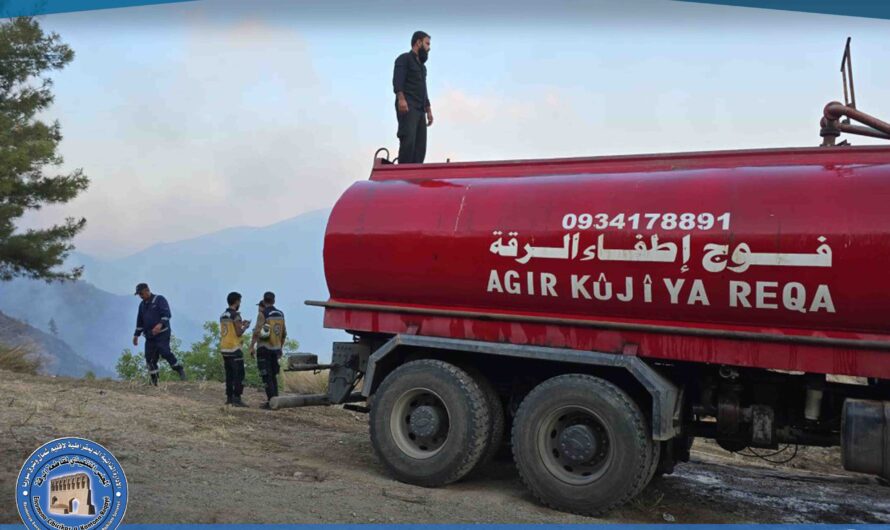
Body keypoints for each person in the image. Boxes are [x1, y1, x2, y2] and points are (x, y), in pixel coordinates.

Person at [392, 30, 433, 164]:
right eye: (427, 44)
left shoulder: (422, 68)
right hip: (408, 105)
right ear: (418, 42)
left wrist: (428, 109)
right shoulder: (404, 59)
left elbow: (424, 89)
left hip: (420, 109)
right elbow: (398, 81)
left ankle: (415, 177)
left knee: (420, 146)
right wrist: (401, 99)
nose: (429, 48)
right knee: (408, 140)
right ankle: (402, 174)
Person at [132, 282, 186, 385]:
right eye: (139, 294)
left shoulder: (160, 300)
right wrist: (136, 335)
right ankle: (154, 381)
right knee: (150, 359)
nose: (140, 296)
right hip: (149, 336)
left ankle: (179, 369)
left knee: (165, 352)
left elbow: (167, 314)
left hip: (162, 334)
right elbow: (140, 321)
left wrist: (160, 324)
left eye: (141, 294)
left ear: (147, 290)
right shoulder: (142, 305)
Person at [249, 291, 287, 409]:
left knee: (266, 376)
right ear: (274, 300)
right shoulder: (280, 314)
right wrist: (280, 348)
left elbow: (257, 332)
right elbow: (284, 333)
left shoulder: (263, 314)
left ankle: (271, 402)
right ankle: (276, 400)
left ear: (264, 300)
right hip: (275, 349)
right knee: (273, 376)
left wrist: (251, 346)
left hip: (264, 349)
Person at [220, 291, 251, 407]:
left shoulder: (223, 315)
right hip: (234, 349)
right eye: (240, 301)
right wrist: (245, 327)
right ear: (237, 301)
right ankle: (237, 398)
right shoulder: (236, 315)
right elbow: (238, 332)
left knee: (229, 375)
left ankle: (229, 398)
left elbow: (230, 329)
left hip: (225, 348)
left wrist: (239, 324)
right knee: (239, 375)